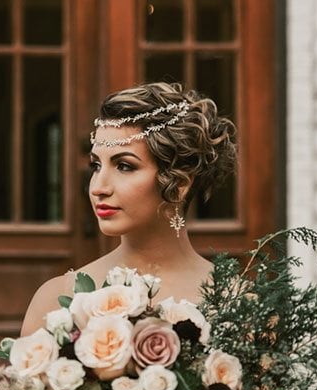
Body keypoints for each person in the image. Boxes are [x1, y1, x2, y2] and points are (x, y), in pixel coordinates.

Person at [20, 82, 237, 336]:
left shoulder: (239, 303)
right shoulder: (55, 301)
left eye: (124, 166)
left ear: (178, 184)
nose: (98, 187)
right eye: (96, 166)